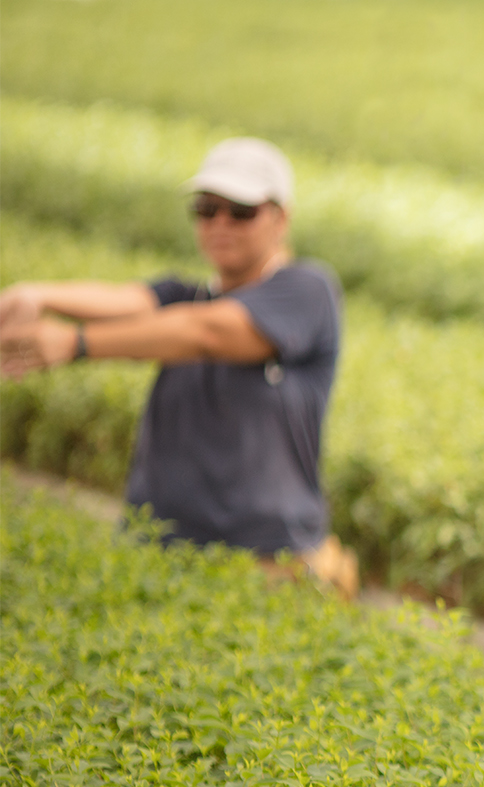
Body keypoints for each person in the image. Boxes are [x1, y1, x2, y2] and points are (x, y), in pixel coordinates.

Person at [0, 137, 355, 597]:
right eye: (207, 209)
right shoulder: (184, 296)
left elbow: (205, 333)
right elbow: (124, 302)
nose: (221, 224)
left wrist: (74, 343)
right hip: (158, 548)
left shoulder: (305, 291)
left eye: (241, 211)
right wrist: (34, 295)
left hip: (269, 561)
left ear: (281, 218)